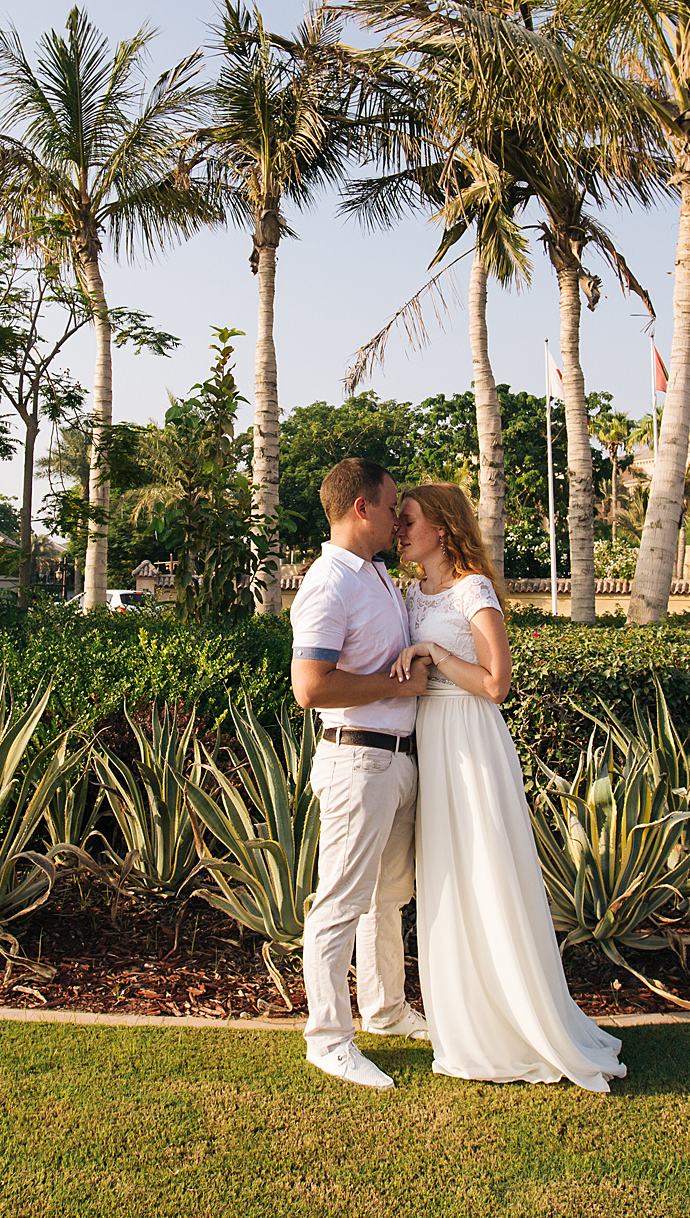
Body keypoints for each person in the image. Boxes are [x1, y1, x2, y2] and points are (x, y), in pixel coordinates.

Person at [389, 482, 626, 1093]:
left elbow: (497, 684)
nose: (400, 529)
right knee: (445, 876)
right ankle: (465, 1024)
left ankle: (518, 1023)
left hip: (471, 739)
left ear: (442, 527)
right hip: (428, 742)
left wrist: (436, 654)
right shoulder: (409, 593)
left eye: (409, 519)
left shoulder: (475, 590)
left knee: (486, 868)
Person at [289, 458, 431, 1090]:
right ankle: (327, 1037)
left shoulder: (376, 574)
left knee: (387, 896)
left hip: (396, 759)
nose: (399, 515)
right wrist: (397, 683)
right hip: (356, 758)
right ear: (360, 508)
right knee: (340, 901)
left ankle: (386, 1011)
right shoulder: (328, 583)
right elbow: (310, 686)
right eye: (392, 503)